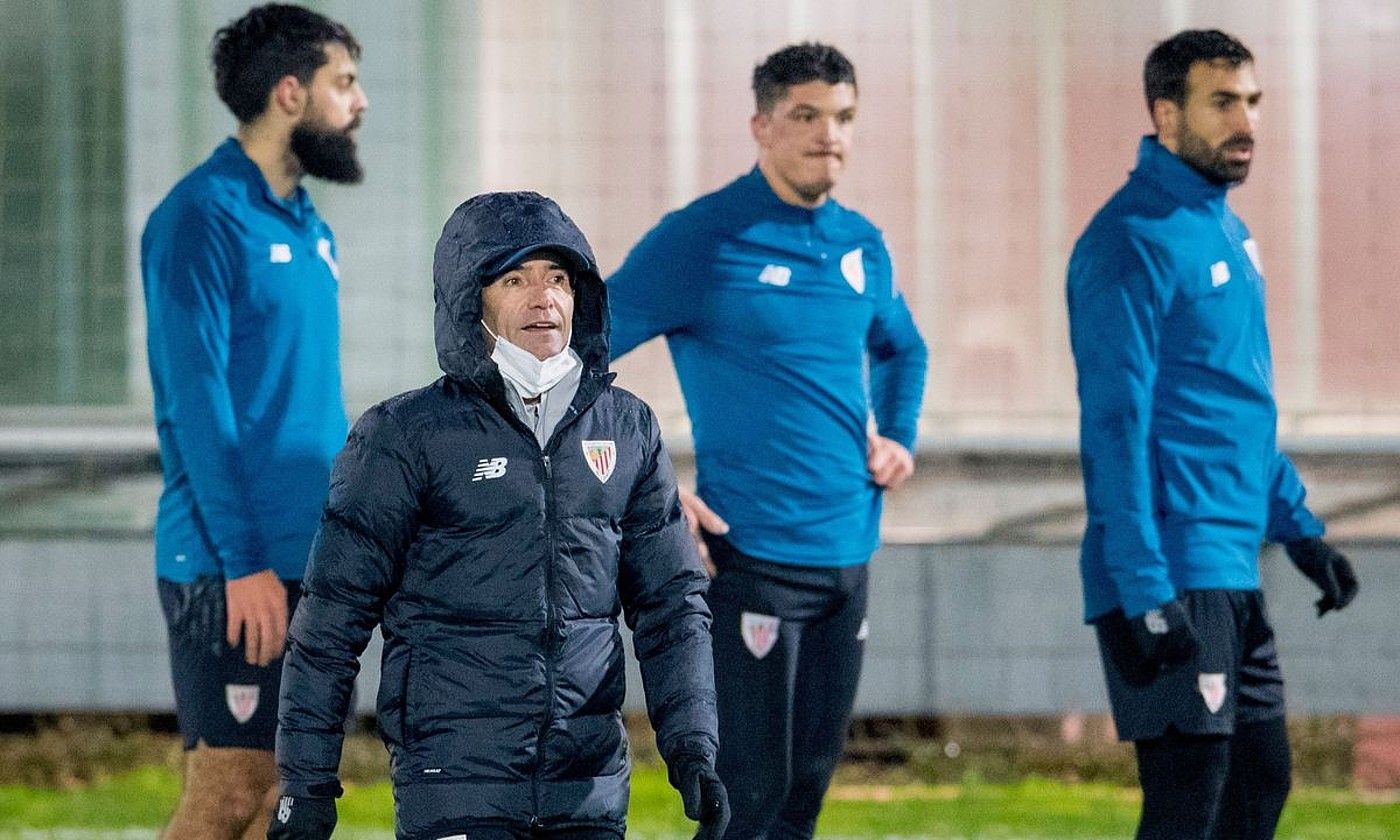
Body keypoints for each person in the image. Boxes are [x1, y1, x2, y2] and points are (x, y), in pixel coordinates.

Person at [268, 191, 729, 840]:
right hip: (455, 785)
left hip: (587, 790)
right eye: (515, 280)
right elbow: (330, 623)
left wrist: (694, 750)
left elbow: (673, 606)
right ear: (469, 302)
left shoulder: (629, 429)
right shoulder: (402, 435)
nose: (543, 298)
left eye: (559, 278)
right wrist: (306, 784)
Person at [607, 42, 928, 839]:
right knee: (746, 796)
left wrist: (899, 437)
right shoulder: (704, 238)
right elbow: (576, 359)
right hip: (745, 560)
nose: (831, 135)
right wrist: (650, 488)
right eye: (808, 116)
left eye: (845, 117)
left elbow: (903, 347)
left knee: (807, 789)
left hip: (848, 557)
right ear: (761, 125)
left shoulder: (861, 243)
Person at [1067, 29, 1360, 840]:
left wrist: (1300, 533)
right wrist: (1144, 587)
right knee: (1188, 801)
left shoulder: (1227, 233)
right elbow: (1114, 425)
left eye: (1253, 101)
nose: (1247, 121)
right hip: (1168, 563)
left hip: (1233, 564)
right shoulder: (1129, 240)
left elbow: (1239, 404)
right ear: (1166, 114)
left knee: (1260, 789)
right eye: (1223, 102)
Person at [139, 4, 367, 838]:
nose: (360, 102)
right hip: (232, 567)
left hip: (313, 555)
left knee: (291, 801)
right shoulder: (199, 217)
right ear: (288, 93)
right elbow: (197, 412)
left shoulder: (308, 225)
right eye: (343, 83)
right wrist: (244, 564)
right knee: (230, 793)